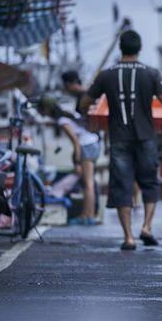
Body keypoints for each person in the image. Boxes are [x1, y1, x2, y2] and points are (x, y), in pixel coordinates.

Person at [79, 29, 162, 250]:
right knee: (149, 182)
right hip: (146, 137)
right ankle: (147, 227)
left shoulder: (106, 75)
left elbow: (84, 105)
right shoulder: (151, 73)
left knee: (122, 185)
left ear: (120, 48)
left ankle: (128, 237)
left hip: (119, 139)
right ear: (139, 49)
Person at [38, 96, 100, 225]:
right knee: (88, 182)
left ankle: (88, 216)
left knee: (88, 184)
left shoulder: (62, 121)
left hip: (86, 146)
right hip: (93, 143)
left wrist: (76, 162)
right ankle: (89, 214)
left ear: (47, 110)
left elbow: (75, 141)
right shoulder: (70, 116)